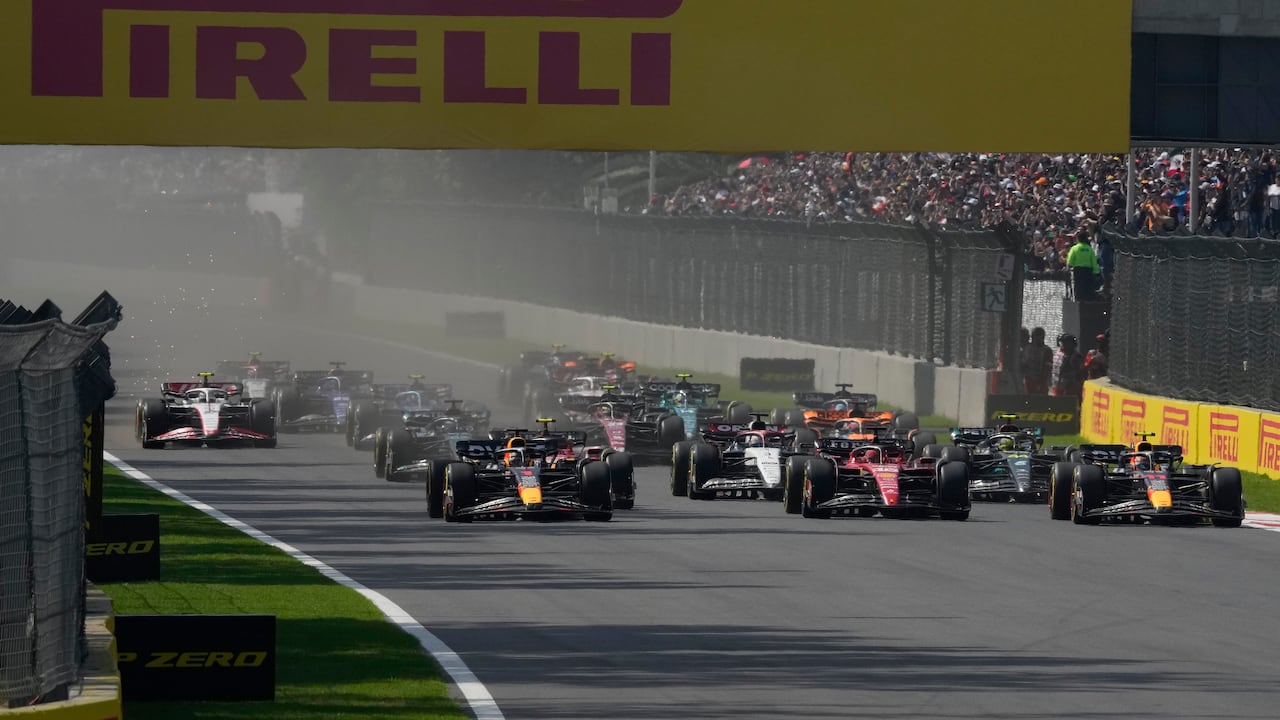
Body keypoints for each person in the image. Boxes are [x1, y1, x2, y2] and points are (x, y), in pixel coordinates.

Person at [1066, 234, 1101, 301]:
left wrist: (1069, 267)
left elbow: (1070, 261)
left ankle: (1079, 302)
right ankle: (1088, 302)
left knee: (1079, 287)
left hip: (1078, 270)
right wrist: (1096, 272)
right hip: (1088, 271)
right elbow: (1094, 261)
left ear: (1078, 239)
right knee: (1088, 287)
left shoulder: (1074, 248)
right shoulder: (1089, 249)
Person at [1022, 327, 1054, 394]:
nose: (1038, 338)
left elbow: (1048, 367)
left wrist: (1043, 380)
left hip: (1041, 380)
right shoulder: (1027, 347)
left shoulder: (1046, 350)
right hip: (1028, 379)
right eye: (1036, 336)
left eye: (1040, 336)